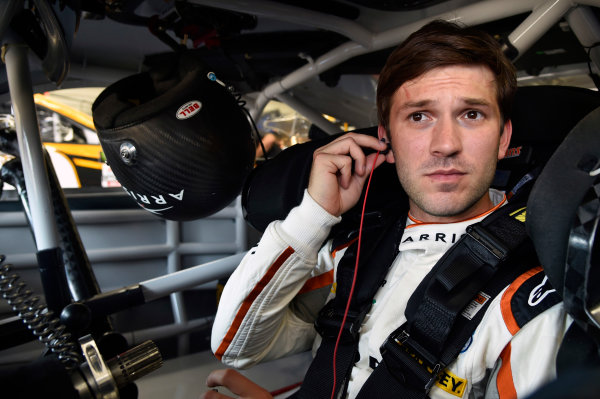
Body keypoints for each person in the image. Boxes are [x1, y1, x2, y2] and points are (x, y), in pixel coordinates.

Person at [204, 20, 571, 398]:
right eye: (419, 116)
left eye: (471, 114)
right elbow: (237, 347)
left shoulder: (530, 300)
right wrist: (314, 214)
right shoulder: (357, 248)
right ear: (387, 141)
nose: (445, 145)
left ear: (503, 138)